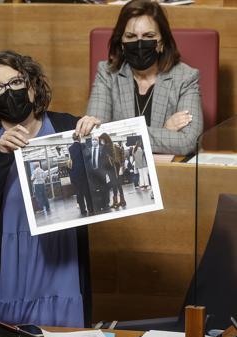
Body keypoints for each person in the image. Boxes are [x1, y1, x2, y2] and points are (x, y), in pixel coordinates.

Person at [0, 51, 91, 327]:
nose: (8, 92)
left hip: (61, 260)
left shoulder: (68, 126)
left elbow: (94, 187)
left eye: (16, 82)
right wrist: (0, 155)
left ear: (32, 87)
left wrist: (97, 136)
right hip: (7, 266)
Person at [77, 0, 203, 156]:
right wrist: (163, 131)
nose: (139, 43)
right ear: (122, 43)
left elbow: (188, 142)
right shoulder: (107, 74)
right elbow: (97, 136)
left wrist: (118, 132)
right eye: (131, 36)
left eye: (148, 35)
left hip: (169, 172)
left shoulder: (186, 77)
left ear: (162, 42)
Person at [68, 134, 93, 216]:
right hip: (84, 172)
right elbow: (88, 156)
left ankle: (83, 210)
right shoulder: (83, 145)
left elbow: (72, 160)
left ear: (72, 138)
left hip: (76, 173)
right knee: (87, 191)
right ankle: (90, 208)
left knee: (79, 193)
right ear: (79, 138)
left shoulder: (70, 148)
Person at [99, 133, 126, 208]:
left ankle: (116, 202)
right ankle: (122, 201)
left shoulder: (105, 147)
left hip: (110, 168)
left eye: (101, 139)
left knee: (114, 184)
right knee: (117, 183)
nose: (101, 141)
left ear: (104, 139)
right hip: (115, 166)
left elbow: (102, 158)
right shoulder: (112, 145)